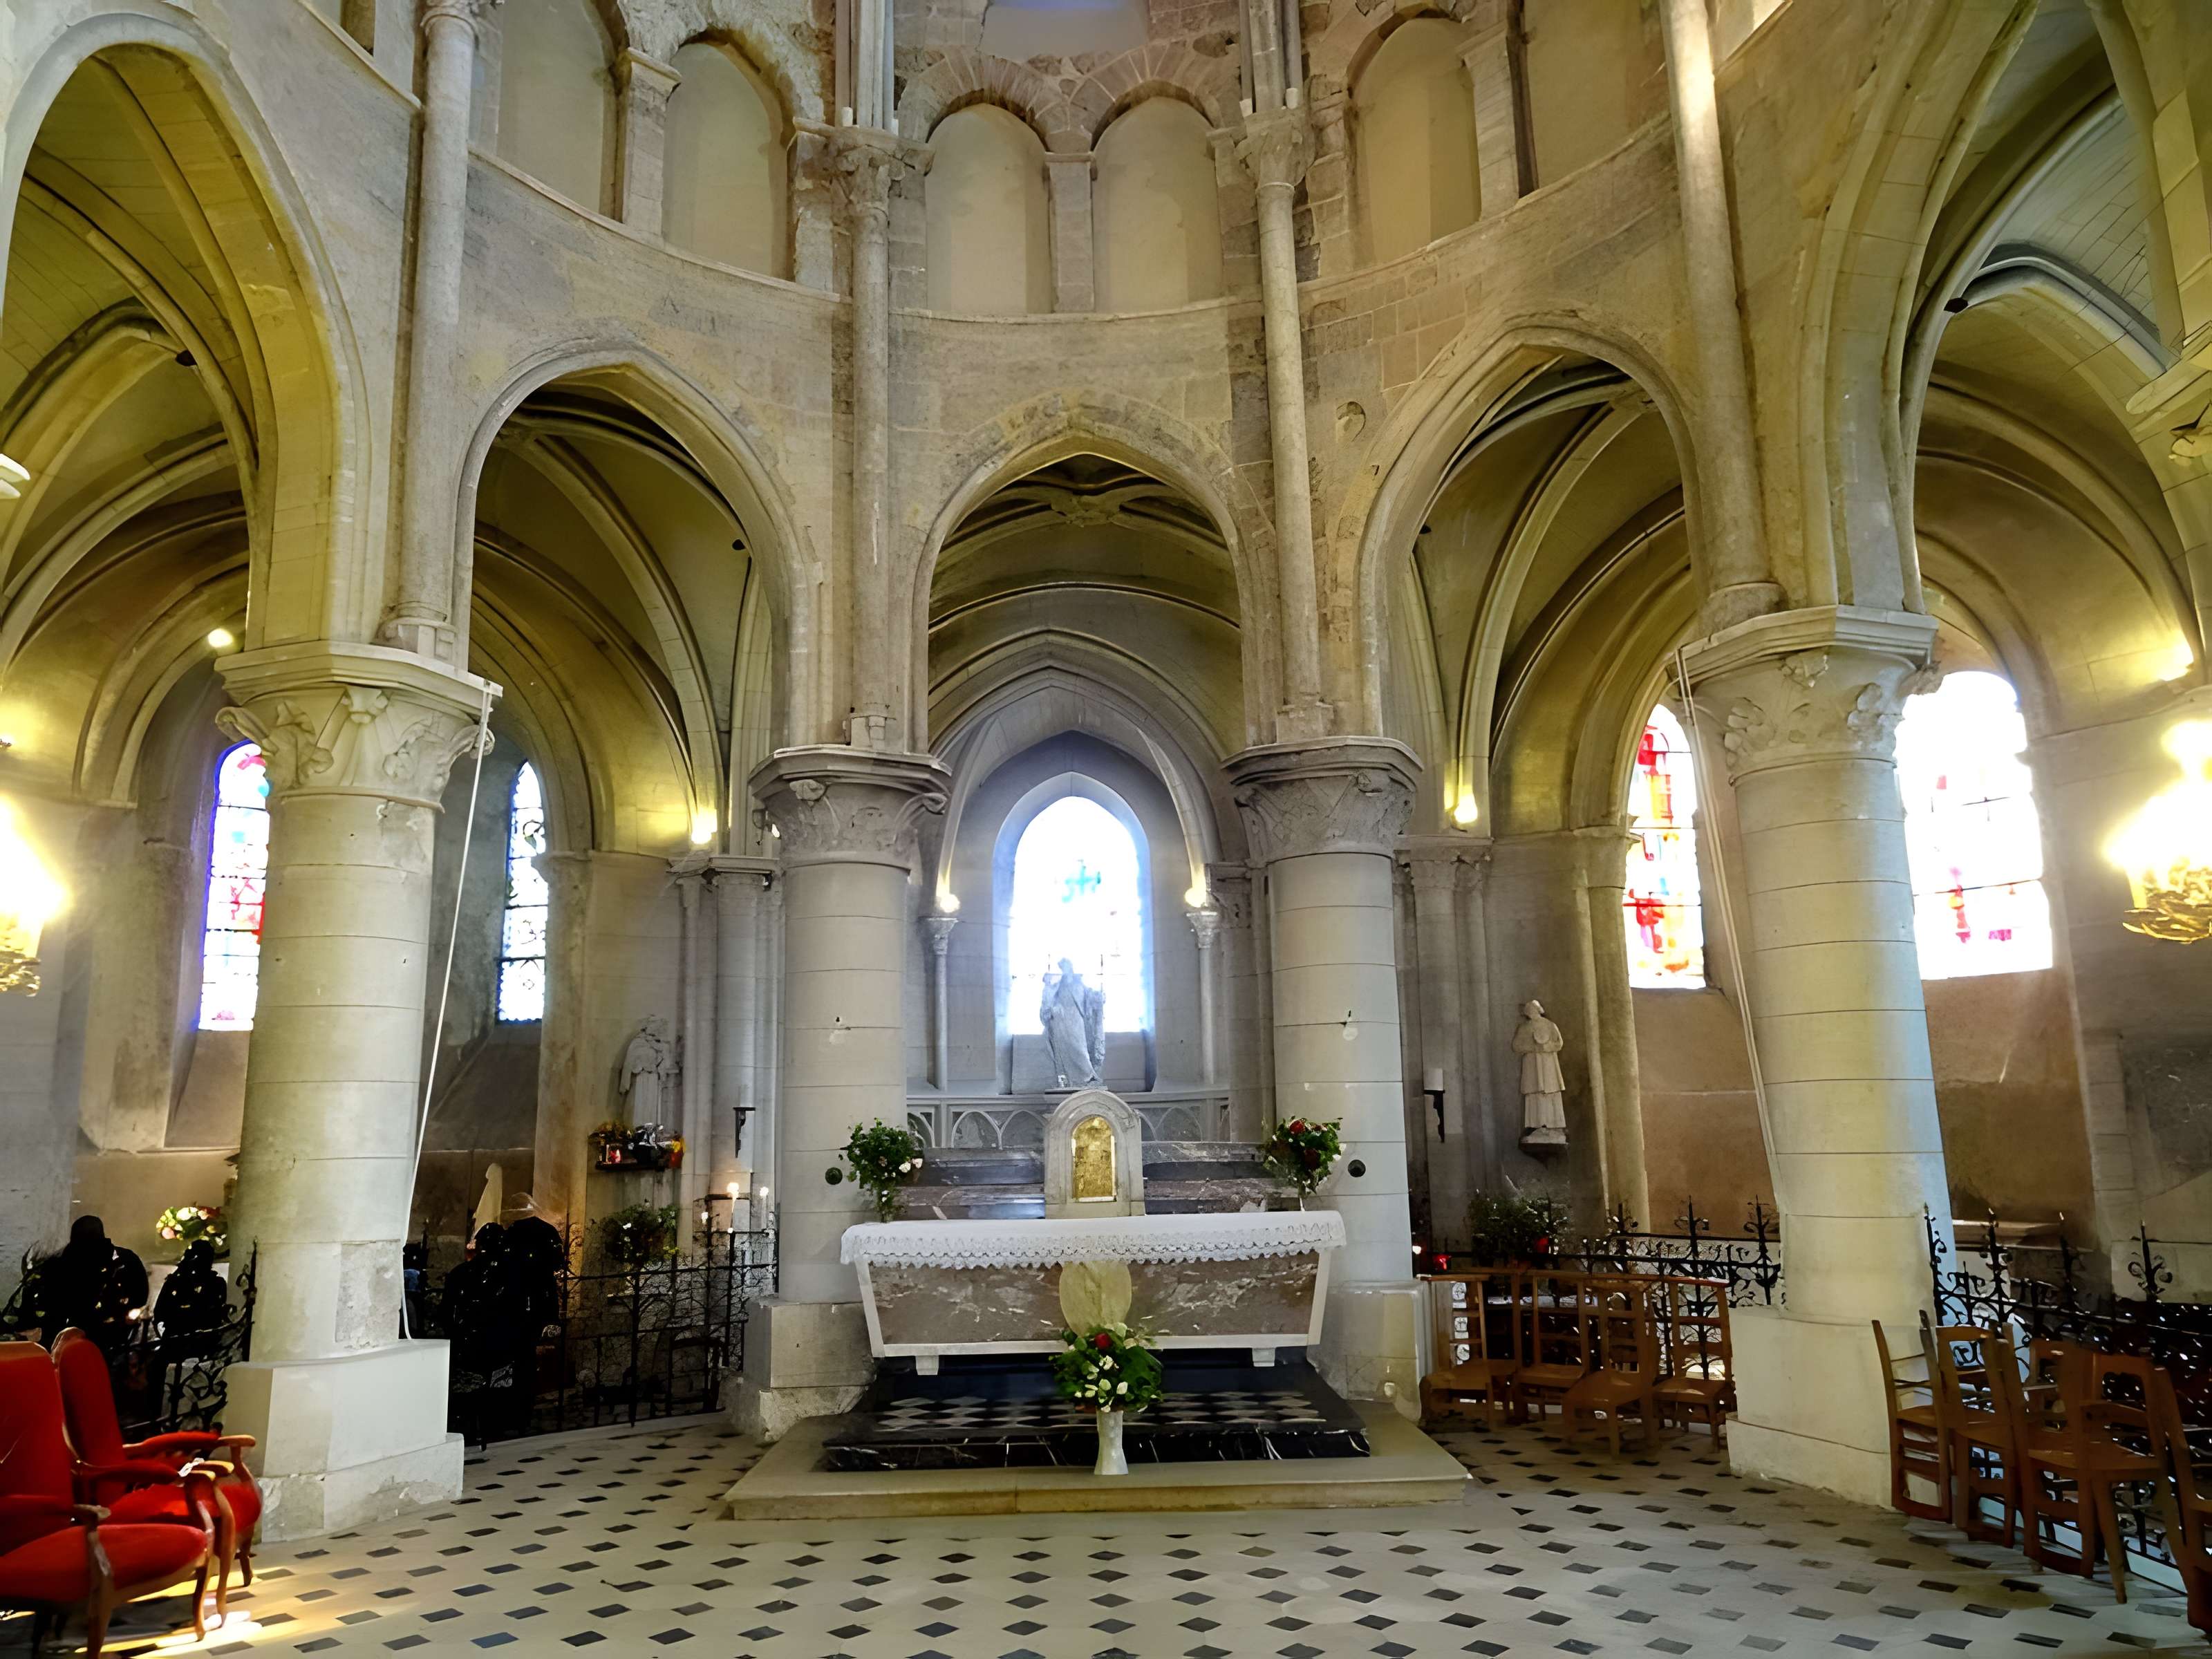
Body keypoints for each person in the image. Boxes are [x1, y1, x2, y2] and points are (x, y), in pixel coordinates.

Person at [5, 1216, 151, 1356]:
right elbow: (38, 1297)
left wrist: (123, 1320)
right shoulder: (57, 1263)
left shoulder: (122, 1261)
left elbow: (139, 1296)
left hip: (109, 1336)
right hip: (61, 1337)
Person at [151, 1240, 231, 1360]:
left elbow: (212, 1311)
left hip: (201, 1338)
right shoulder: (176, 1281)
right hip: (175, 1335)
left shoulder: (216, 1283)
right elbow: (160, 1311)